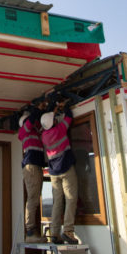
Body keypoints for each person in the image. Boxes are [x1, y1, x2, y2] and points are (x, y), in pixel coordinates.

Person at [40, 97, 79, 245]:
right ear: (54, 122)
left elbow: (50, 122)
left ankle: (55, 233)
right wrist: (64, 105)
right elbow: (69, 116)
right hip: (66, 168)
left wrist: (54, 111)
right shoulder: (60, 129)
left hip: (54, 172)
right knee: (70, 198)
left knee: (57, 202)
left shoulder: (44, 135)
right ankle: (68, 230)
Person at [18, 103, 46, 242]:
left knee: (35, 197)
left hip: (36, 166)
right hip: (31, 167)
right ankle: (30, 232)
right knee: (33, 198)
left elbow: (44, 124)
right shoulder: (24, 130)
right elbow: (31, 121)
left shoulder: (34, 131)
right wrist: (37, 110)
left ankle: (32, 231)